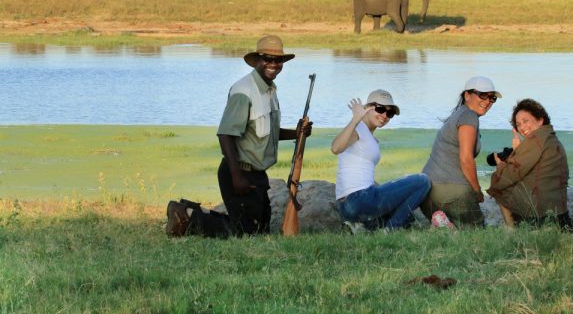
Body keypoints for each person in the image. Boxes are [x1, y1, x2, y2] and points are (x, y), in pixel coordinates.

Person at [165, 34, 312, 237]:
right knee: (245, 233)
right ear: (257, 60)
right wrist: (236, 176)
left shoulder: (269, 90)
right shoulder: (244, 91)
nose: (273, 64)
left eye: (278, 60)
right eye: (267, 59)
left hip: (258, 174)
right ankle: (187, 215)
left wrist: (297, 133)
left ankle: (191, 211)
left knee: (259, 230)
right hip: (240, 172)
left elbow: (266, 133)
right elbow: (225, 134)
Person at [332, 89, 431, 233]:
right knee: (423, 181)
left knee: (408, 218)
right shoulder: (358, 128)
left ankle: (363, 226)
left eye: (389, 113)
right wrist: (355, 120)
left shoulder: (368, 135)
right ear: (367, 108)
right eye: (380, 109)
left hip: (348, 206)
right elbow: (335, 148)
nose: (384, 115)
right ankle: (390, 230)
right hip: (359, 199)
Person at [420, 76, 501, 227]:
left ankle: (446, 223)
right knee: (478, 229)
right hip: (451, 191)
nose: (488, 101)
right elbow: (466, 159)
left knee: (454, 227)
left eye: (492, 97)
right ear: (467, 95)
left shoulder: (458, 114)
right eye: (482, 95)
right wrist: (477, 191)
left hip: (427, 194)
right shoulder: (469, 116)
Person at [486, 99, 573, 230]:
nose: (522, 127)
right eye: (518, 124)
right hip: (561, 215)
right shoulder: (550, 138)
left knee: (499, 188)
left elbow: (508, 177)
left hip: (540, 218)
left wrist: (501, 165)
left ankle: (512, 231)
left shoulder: (536, 140)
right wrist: (518, 151)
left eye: (526, 121)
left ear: (540, 119)